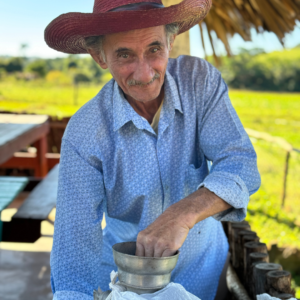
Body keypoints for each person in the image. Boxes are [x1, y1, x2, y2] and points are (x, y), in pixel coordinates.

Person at [45, 0, 261, 299]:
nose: (144, 73)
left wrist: (182, 214)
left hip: (204, 268)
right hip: (124, 280)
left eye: (154, 49)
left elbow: (240, 163)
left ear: (170, 41)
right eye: (124, 54)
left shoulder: (198, 82)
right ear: (99, 56)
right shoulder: (85, 133)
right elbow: (74, 248)